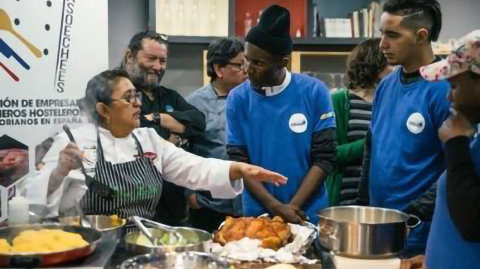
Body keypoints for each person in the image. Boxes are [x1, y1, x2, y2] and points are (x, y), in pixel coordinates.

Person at [23, 69, 287, 218]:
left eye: (136, 95)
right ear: (103, 109)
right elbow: (33, 203)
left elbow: (194, 167)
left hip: (143, 247)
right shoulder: (72, 141)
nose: (138, 103)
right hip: (93, 253)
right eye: (128, 98)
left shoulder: (146, 139)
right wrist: (59, 172)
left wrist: (240, 170)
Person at [226, 5, 337, 225]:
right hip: (259, 216)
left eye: (258, 63)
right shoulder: (238, 99)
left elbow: (324, 158)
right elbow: (240, 161)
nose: (248, 69)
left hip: (307, 214)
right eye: (247, 59)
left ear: (282, 62)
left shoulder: (314, 92)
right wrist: (276, 208)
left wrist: (292, 208)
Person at [358, 0, 450, 255]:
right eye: (382, 34)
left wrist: (415, 213)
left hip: (420, 235)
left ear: (421, 35)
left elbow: (456, 166)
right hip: (378, 228)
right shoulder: (386, 85)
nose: (382, 44)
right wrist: (362, 205)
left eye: (393, 35)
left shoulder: (445, 90)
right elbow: (371, 147)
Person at [121, 30, 206, 225]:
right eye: (151, 58)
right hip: (133, 210)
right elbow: (133, 132)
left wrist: (157, 118)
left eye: (163, 61)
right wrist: (174, 137)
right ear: (129, 57)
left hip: (173, 209)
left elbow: (198, 122)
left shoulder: (169, 96)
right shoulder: (117, 94)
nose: (158, 67)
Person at [417, 30, 480, 269]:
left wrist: (455, 144)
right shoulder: (474, 133)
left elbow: (472, 222)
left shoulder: (461, 139)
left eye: (454, 85)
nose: (449, 97)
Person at [185, 38, 246, 232]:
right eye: (239, 65)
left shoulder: (252, 99)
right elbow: (184, 151)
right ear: (219, 69)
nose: (246, 70)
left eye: (247, 64)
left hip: (247, 201)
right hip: (209, 203)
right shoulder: (194, 104)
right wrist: (189, 192)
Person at [325, 38, 392, 206]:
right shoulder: (339, 100)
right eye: (389, 62)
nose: (395, 68)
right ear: (373, 63)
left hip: (381, 199)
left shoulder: (391, 103)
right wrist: (369, 143)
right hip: (345, 199)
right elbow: (329, 154)